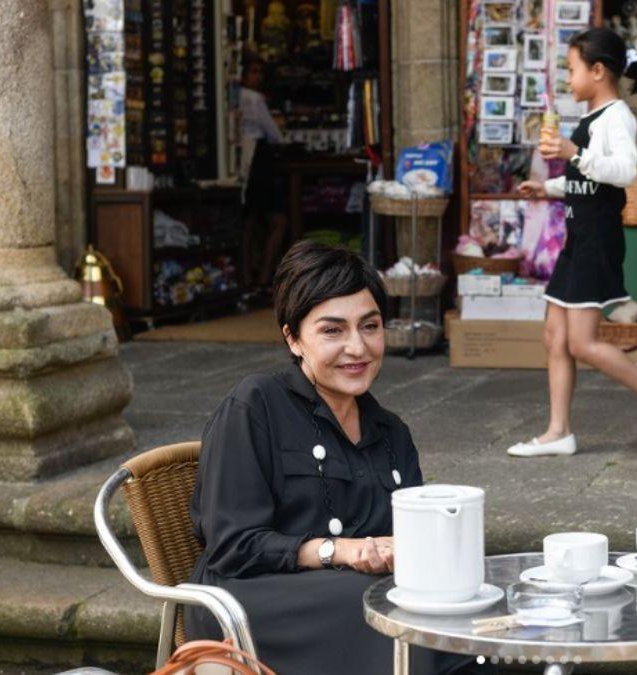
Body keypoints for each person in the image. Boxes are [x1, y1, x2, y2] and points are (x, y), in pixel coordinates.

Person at [185, 241, 486, 674]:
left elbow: (410, 541)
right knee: (396, 622)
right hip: (253, 603)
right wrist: (339, 550)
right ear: (293, 338)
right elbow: (233, 546)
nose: (357, 347)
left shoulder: (391, 433)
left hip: (354, 595)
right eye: (333, 330)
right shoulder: (256, 404)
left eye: (370, 326)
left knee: (465, 612)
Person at [510, 27, 637, 457]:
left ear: (599, 71)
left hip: (597, 243)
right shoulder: (591, 119)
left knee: (581, 342)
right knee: (554, 336)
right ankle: (558, 432)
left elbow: (623, 172)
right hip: (577, 240)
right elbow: (586, 181)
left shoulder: (616, 116)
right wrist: (548, 188)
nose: (569, 80)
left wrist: (572, 152)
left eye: (572, 70)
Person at [239, 54, 290, 291]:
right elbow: (273, 133)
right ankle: (264, 277)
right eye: (253, 72)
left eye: (260, 72)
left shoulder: (235, 96)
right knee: (277, 220)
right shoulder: (254, 98)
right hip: (259, 160)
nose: (258, 77)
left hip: (242, 160)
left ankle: (247, 276)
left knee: (249, 221)